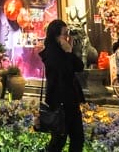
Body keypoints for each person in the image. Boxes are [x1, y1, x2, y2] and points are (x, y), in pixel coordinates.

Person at [39, 19, 85, 152]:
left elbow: (79, 67)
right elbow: (65, 73)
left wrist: (70, 51)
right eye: (64, 34)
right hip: (60, 103)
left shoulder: (64, 51)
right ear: (56, 36)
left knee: (77, 139)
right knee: (59, 140)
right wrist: (68, 53)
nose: (67, 37)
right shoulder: (51, 54)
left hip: (71, 101)